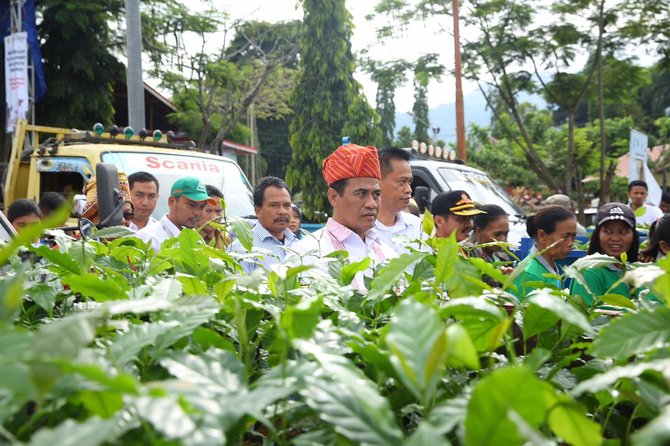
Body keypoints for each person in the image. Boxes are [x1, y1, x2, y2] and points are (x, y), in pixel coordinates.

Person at [294, 143, 396, 287]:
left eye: (376, 194)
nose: (371, 204)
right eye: (361, 194)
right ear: (334, 197)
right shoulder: (306, 255)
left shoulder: (388, 255)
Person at [570, 203, 639, 306]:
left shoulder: (632, 270)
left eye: (623, 232)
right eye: (607, 231)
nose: (615, 238)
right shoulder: (589, 273)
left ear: (634, 235)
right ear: (597, 234)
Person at [230, 176, 297, 273]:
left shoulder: (298, 245)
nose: (282, 211)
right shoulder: (241, 249)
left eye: (287, 205)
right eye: (274, 205)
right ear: (258, 211)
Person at [513, 205, 577, 300]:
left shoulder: (550, 266)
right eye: (565, 236)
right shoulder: (528, 275)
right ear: (542, 236)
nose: (571, 243)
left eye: (573, 236)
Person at [137, 177, 216, 252]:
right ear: (172, 202)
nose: (197, 212)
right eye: (191, 205)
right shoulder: (148, 239)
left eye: (202, 207)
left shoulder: (196, 239)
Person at [375, 146, 422, 254]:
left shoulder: (417, 226)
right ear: (378, 181)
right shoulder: (362, 230)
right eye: (401, 182)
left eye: (409, 182)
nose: (409, 190)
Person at [198, 185, 230, 249]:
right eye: (209, 210)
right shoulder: (188, 239)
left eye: (218, 211)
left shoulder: (226, 238)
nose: (214, 217)